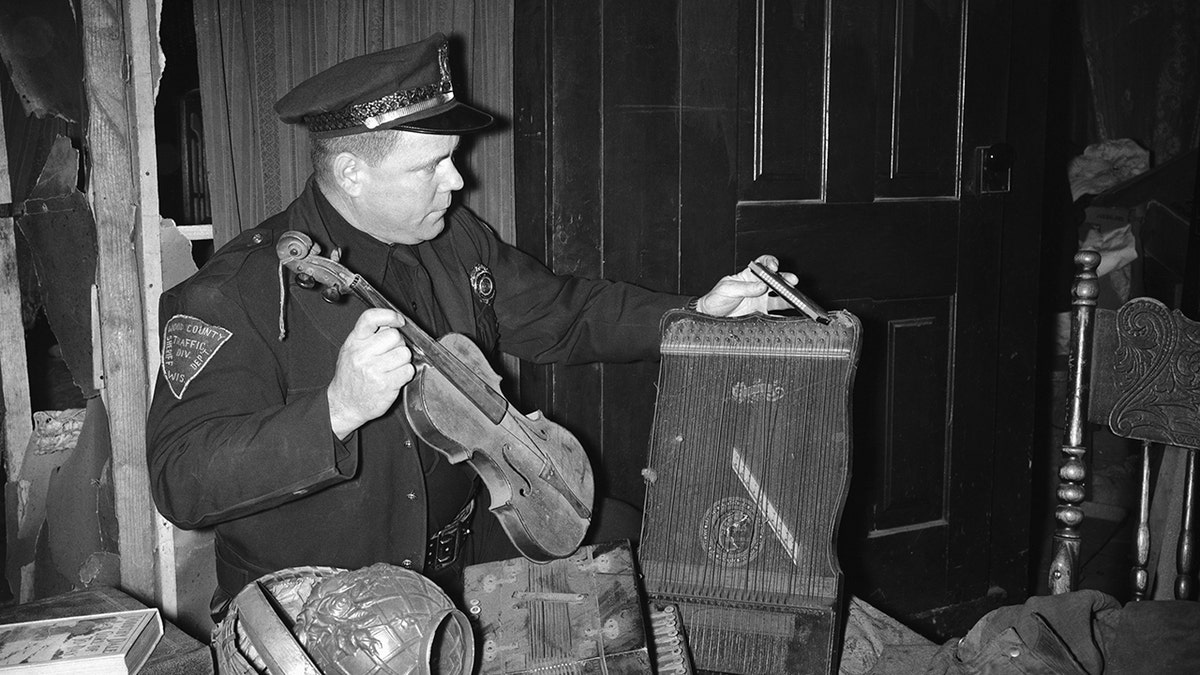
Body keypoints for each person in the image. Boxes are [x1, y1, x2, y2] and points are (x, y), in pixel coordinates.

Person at [145, 33, 795, 620]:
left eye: (452, 157)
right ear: (351, 172)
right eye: (430, 166)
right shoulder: (232, 295)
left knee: (642, 546)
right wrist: (333, 412)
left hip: (469, 551)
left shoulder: (455, 240)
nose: (458, 180)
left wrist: (696, 313)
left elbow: (562, 313)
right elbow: (180, 479)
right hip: (328, 605)